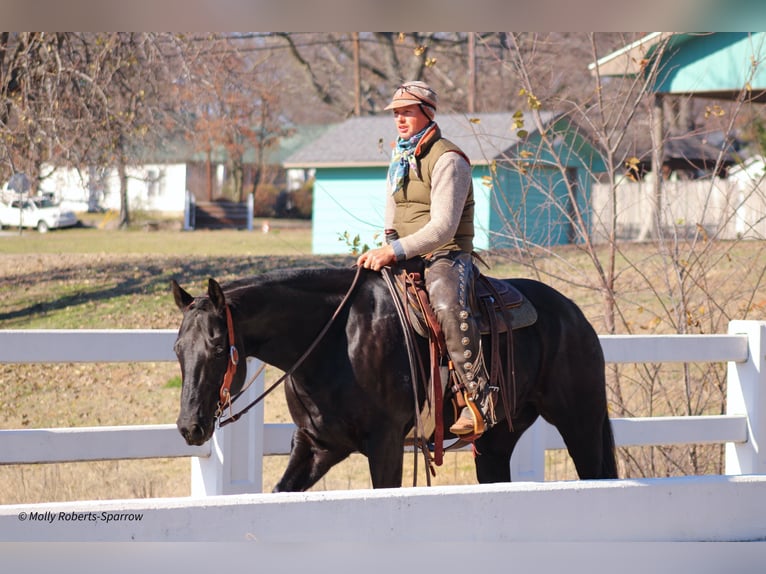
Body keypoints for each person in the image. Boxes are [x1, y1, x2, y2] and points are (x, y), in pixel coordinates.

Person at [356, 80, 495, 438]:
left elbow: (443, 229)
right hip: (402, 250)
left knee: (447, 304)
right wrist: (389, 242)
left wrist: (394, 251)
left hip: (445, 255)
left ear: (427, 113)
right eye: (396, 113)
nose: (399, 120)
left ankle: (477, 400)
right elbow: (393, 207)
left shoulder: (449, 159)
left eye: (407, 112)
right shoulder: (400, 155)